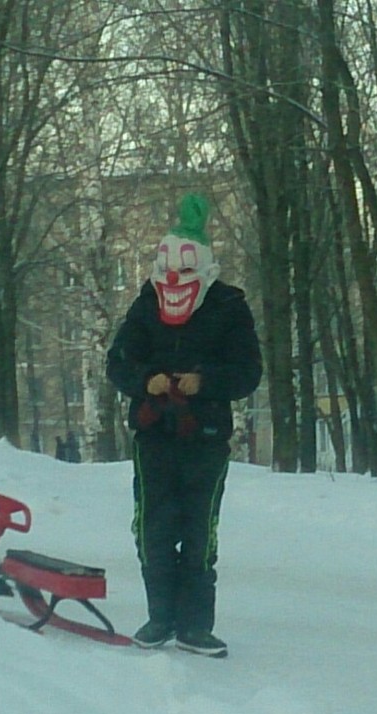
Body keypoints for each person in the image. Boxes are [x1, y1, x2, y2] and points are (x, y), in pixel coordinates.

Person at [106, 193, 262, 658]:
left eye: (186, 267)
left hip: (206, 439)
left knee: (199, 533)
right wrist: (145, 381)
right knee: (153, 529)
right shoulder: (144, 304)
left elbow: (248, 372)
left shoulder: (230, 307)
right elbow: (117, 362)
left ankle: (195, 624)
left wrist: (205, 382)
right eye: (168, 266)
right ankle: (160, 618)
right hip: (154, 438)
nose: (175, 276)